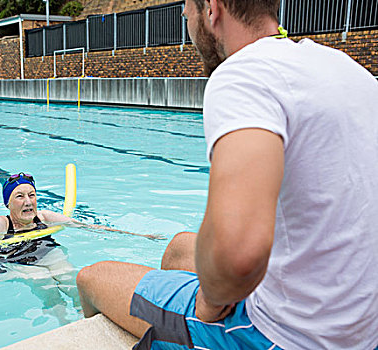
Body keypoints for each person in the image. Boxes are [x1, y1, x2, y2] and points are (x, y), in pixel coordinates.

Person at [75, 0, 378, 349]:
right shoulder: (344, 67)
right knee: (177, 249)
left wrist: (209, 301)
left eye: (187, 7)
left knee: (92, 278)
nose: (185, 17)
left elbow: (238, 257)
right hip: (358, 325)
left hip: (284, 336)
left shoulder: (243, 74)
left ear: (212, 10)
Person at [0, 172, 164, 314]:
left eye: (31, 195)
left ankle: (84, 314)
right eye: (19, 197)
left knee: (69, 275)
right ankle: (61, 319)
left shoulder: (45, 217)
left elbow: (90, 227)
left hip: (38, 247)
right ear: (8, 203)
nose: (28, 202)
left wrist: (141, 236)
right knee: (41, 278)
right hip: (2, 259)